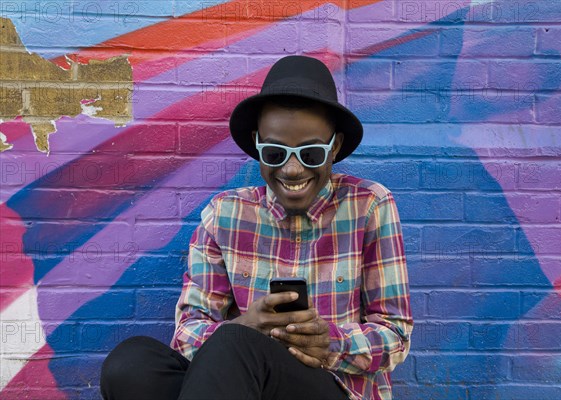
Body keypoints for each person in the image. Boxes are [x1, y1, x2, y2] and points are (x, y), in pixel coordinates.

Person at [100, 55, 413, 400]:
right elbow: (187, 333)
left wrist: (330, 342)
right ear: (258, 147)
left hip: (332, 386)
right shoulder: (225, 215)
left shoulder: (369, 206)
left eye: (310, 154)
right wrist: (246, 325)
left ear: (334, 147)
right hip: (238, 381)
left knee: (235, 344)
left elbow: (395, 335)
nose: (292, 170)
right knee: (132, 365)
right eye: (275, 153)